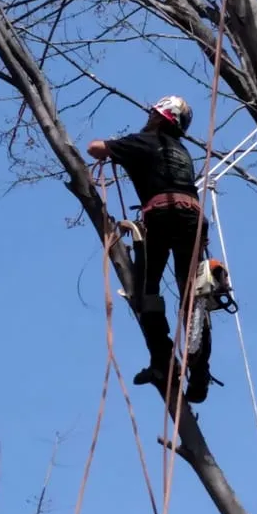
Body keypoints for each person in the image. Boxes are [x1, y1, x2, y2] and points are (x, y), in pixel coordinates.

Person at [87, 95, 212, 403]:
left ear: (159, 116)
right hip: (194, 219)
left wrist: (116, 147)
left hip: (162, 216)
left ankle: (163, 361)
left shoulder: (145, 142)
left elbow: (94, 149)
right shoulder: (182, 152)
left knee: (147, 291)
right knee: (192, 296)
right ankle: (200, 374)